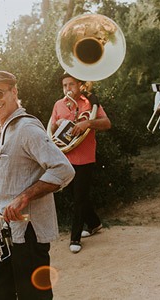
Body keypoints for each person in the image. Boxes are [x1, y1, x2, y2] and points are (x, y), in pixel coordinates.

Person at [0, 71, 75, 299]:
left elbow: (63, 169)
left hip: (28, 233)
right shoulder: (2, 129)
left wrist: (24, 197)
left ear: (14, 91)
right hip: (6, 232)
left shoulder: (26, 128)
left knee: (33, 296)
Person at [49, 73, 112, 253]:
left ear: (79, 85)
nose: (68, 88)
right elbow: (51, 129)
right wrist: (58, 124)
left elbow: (107, 123)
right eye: (64, 85)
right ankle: (94, 223)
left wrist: (88, 124)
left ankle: (75, 238)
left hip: (85, 157)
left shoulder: (89, 104)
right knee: (76, 197)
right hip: (65, 158)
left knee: (78, 199)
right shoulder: (58, 105)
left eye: (71, 85)